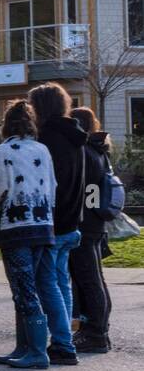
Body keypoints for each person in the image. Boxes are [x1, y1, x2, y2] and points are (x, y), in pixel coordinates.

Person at [0, 99, 56, 370]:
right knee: (30, 289)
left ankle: (37, 351)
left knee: (24, 290)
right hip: (42, 225)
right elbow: (52, 187)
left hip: (16, 229)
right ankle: (25, 346)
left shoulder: (3, 152)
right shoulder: (43, 149)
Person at [31, 82, 86, 366]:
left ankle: (63, 343)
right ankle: (65, 339)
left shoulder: (46, 139)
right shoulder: (76, 135)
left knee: (48, 283)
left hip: (52, 222)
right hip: (73, 221)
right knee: (61, 282)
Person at [68, 106, 113, 354]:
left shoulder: (82, 152)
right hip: (96, 222)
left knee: (89, 280)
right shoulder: (100, 150)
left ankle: (95, 333)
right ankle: (97, 329)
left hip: (84, 223)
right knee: (95, 278)